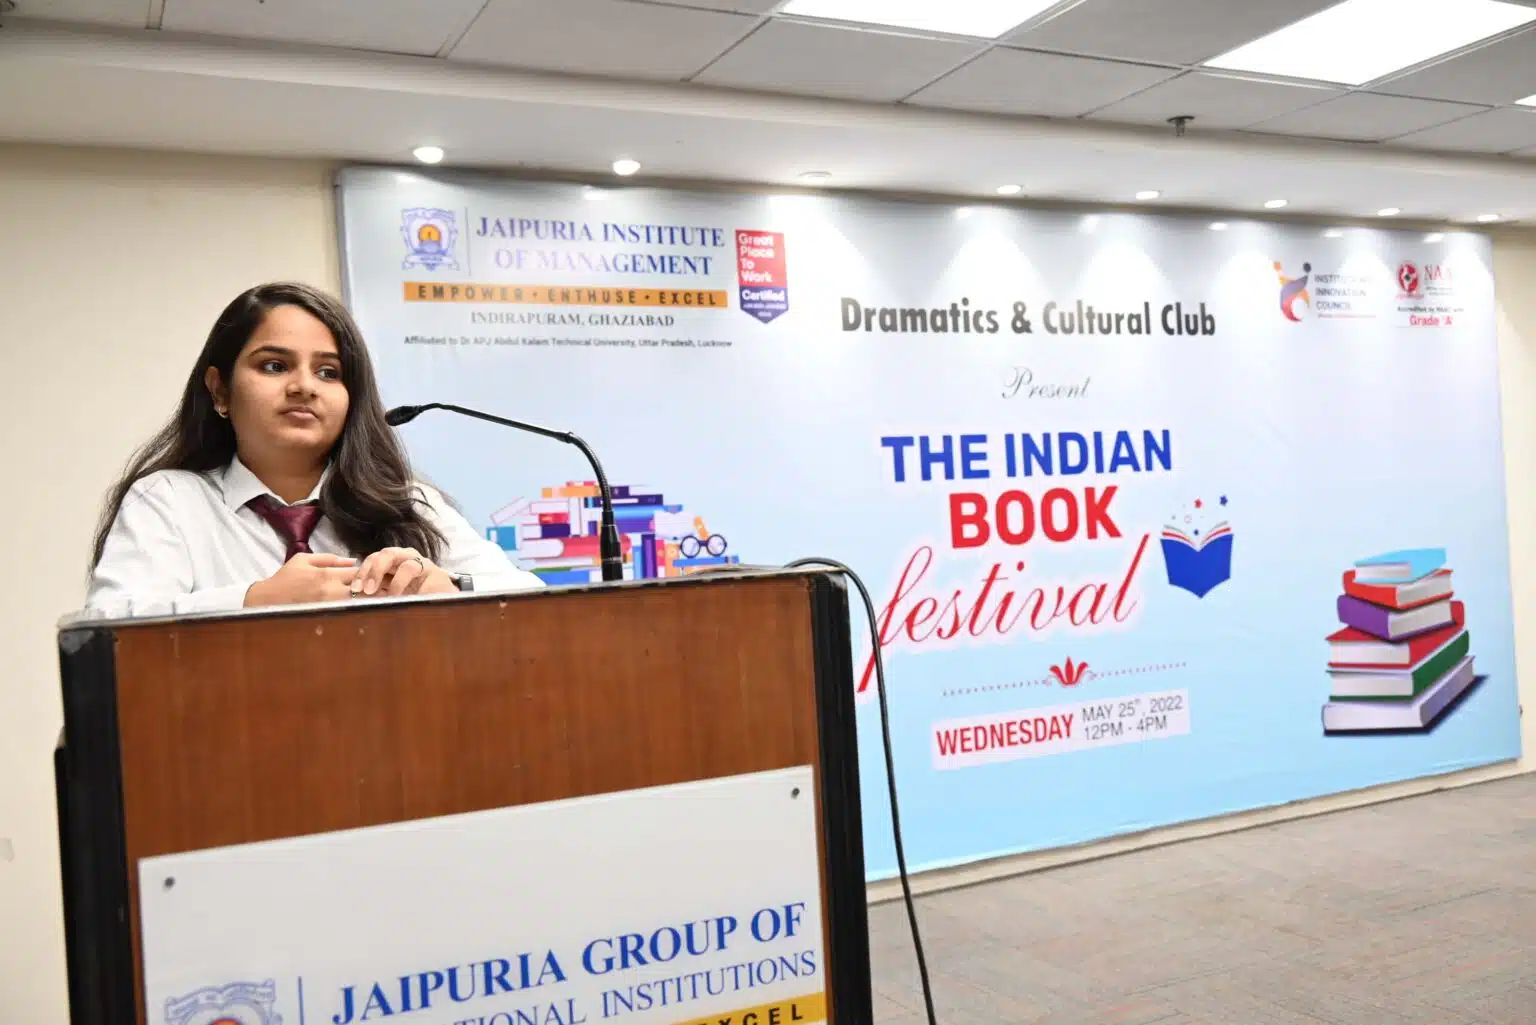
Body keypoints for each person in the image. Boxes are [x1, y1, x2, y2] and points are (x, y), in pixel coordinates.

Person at [86, 282, 543, 615]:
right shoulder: (169, 500)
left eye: (328, 372)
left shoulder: (406, 501)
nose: (304, 386)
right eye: (274, 366)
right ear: (220, 390)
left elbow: (532, 599)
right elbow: (109, 626)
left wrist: (448, 586)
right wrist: (255, 600)